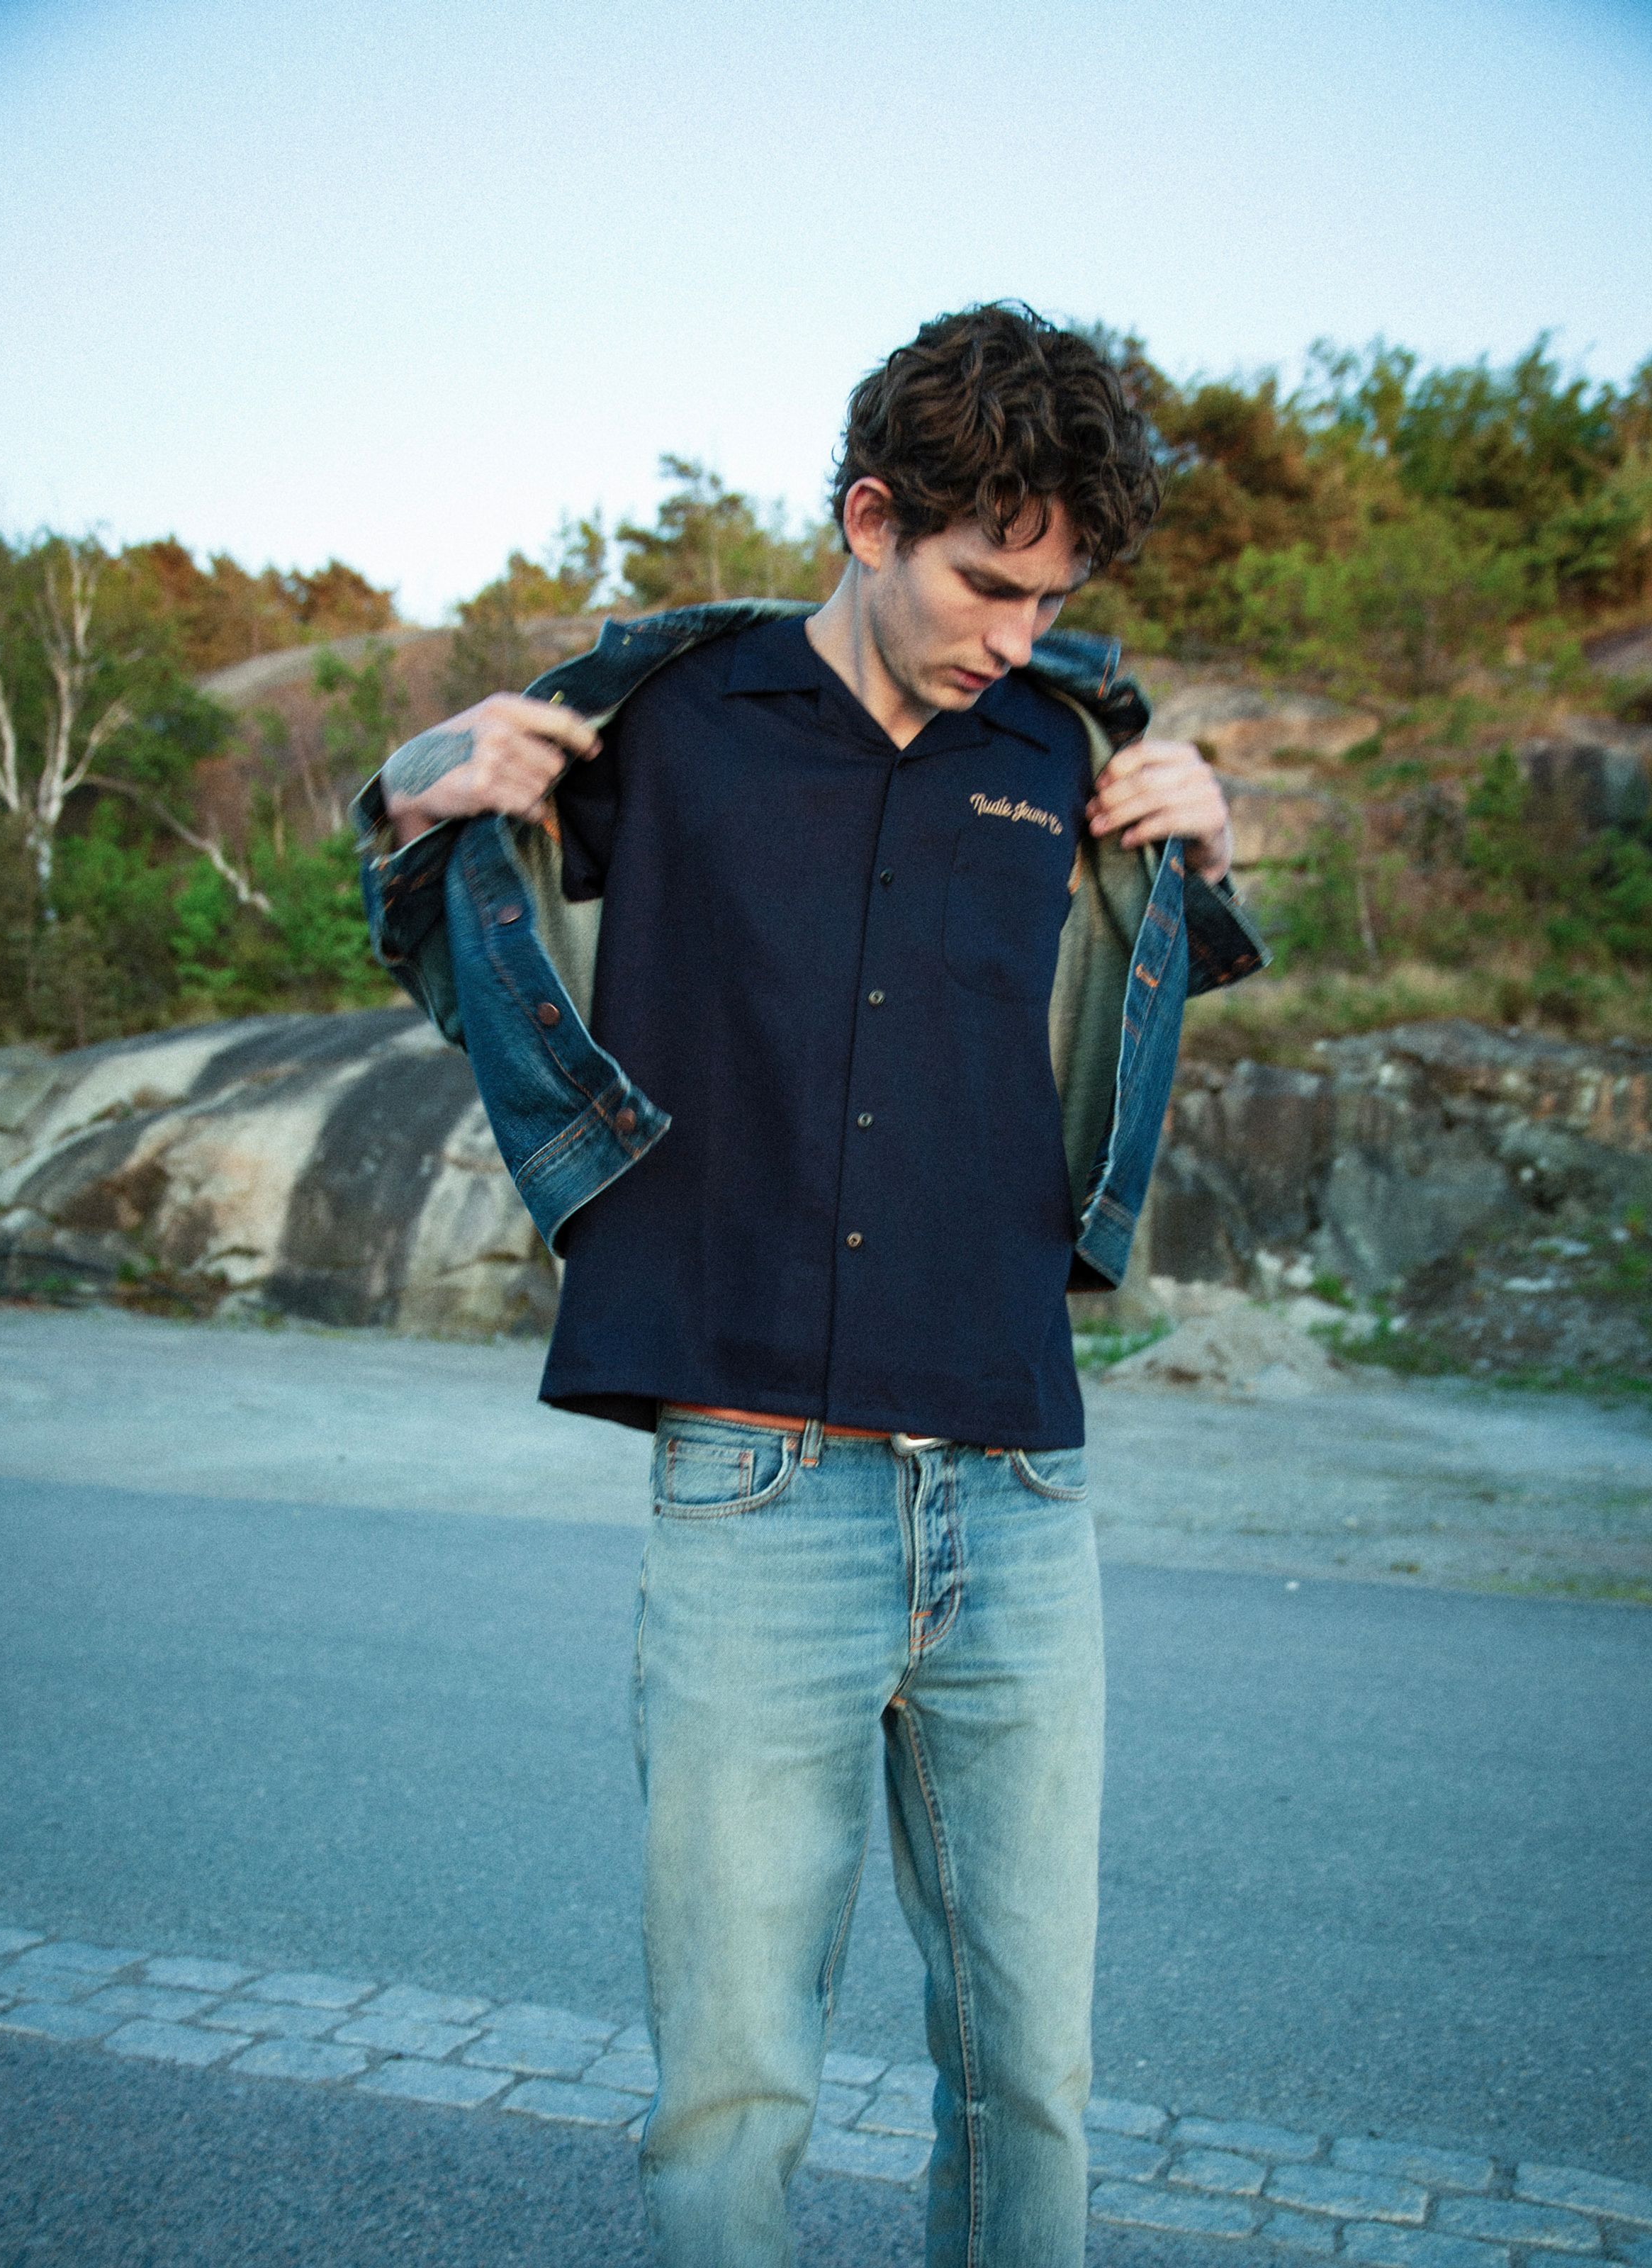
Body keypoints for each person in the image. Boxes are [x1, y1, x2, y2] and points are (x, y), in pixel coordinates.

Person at [356, 303, 1265, 2267]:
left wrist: (1209, 847)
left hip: (1020, 1489)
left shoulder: (1055, 746)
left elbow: (1153, 970)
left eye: (1054, 597)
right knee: (734, 2098)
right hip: (757, 1491)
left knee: (1032, 2080)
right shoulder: (676, 726)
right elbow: (441, 876)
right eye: (986, 581)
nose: (1015, 634)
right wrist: (422, 776)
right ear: (870, 516)